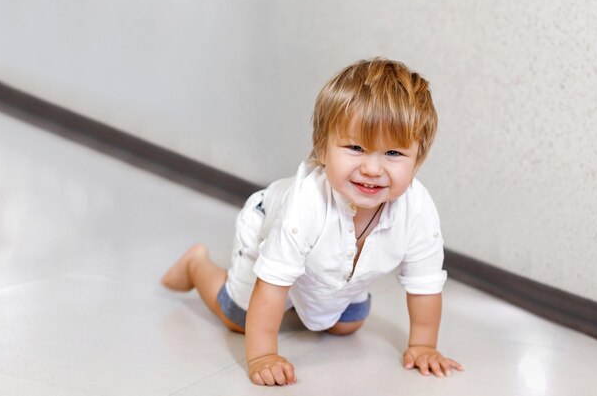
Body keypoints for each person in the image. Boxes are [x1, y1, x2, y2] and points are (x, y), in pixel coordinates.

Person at [161, 58, 463, 386]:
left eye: (393, 154)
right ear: (321, 147)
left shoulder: (417, 209)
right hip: (267, 227)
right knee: (241, 317)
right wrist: (263, 355)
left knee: (346, 324)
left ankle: (301, 302)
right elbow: (272, 284)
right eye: (356, 147)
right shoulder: (306, 204)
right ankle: (197, 265)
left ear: (418, 159)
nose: (373, 169)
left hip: (327, 267)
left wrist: (422, 345)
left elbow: (425, 283)